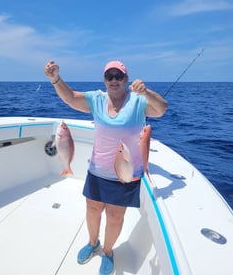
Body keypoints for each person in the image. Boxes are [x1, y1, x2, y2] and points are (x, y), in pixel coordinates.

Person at [44, 60, 167, 275]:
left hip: (126, 174)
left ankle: (108, 251)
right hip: (97, 171)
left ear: (126, 79)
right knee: (92, 210)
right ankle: (93, 243)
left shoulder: (138, 101)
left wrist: (146, 91)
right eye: (109, 76)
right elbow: (70, 98)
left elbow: (161, 109)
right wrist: (55, 79)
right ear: (104, 80)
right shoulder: (97, 99)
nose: (114, 80)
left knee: (115, 216)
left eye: (118, 76)